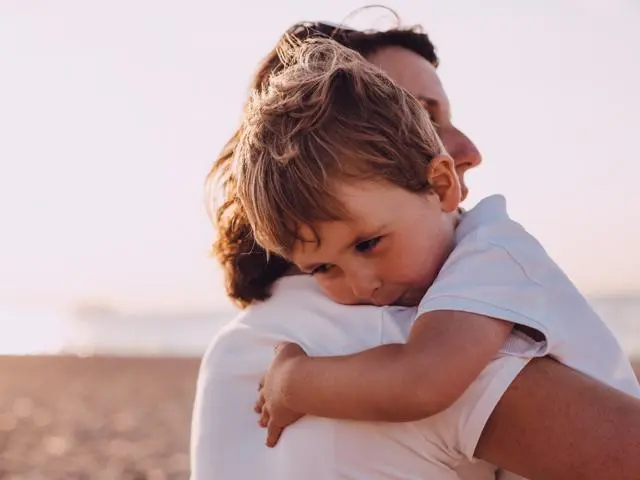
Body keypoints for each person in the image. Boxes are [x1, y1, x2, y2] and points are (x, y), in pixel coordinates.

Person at [191, 18, 640, 480]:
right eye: (422, 117)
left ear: (438, 183)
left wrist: (294, 381)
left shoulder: (239, 346)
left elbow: (422, 377)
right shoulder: (389, 330)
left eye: (368, 244)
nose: (471, 149)